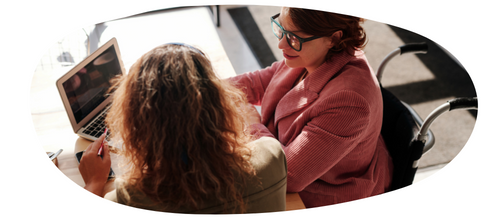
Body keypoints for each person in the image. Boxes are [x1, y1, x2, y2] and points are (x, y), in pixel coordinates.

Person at [78, 43, 287, 213]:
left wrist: (94, 183)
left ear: (137, 124)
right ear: (221, 105)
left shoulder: (127, 199)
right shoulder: (272, 156)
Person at [228, 7, 394, 208]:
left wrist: (251, 123)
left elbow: (289, 175)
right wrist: (203, 86)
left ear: (333, 38)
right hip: (288, 166)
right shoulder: (312, 53)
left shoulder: (349, 101)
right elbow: (260, 82)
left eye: (292, 37)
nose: (281, 44)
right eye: (281, 28)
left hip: (321, 195)